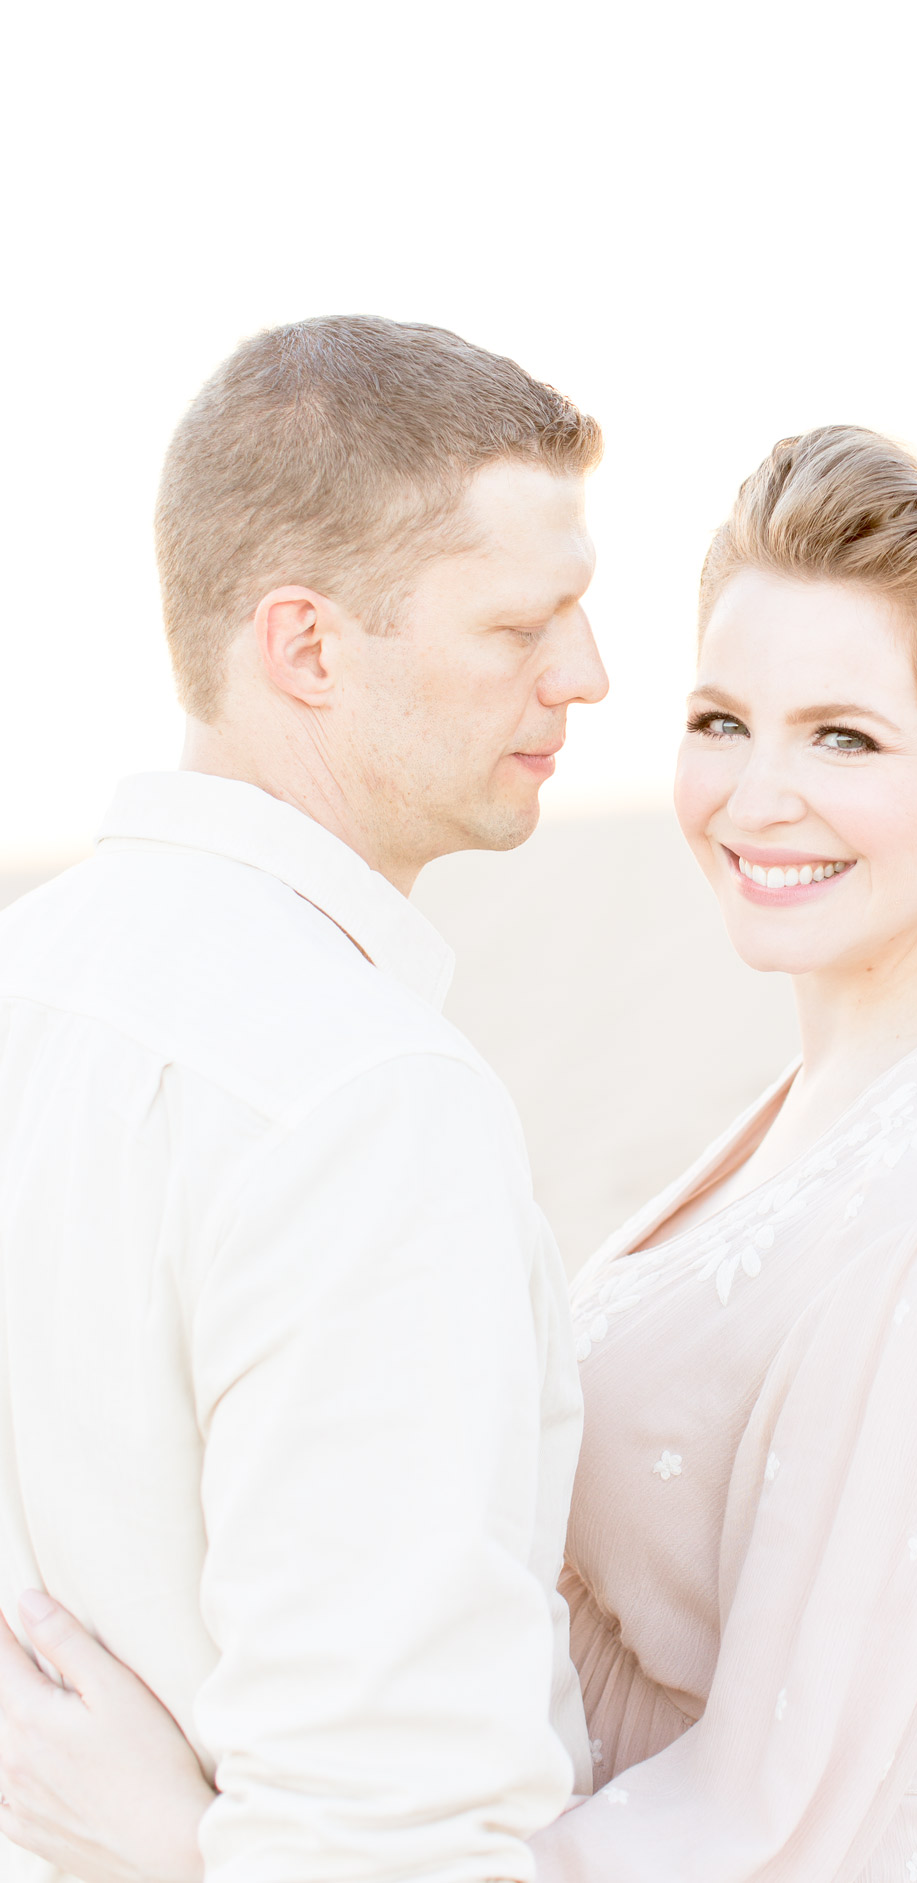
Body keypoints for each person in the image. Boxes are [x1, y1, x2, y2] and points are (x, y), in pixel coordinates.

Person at [0, 427, 917, 1882]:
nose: (756, 793)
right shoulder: (847, 1086)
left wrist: (189, 1852)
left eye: (842, 736)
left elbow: (769, 1825)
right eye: (722, 721)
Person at [0, 314, 609, 1883]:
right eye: (518, 629)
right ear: (308, 648)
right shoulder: (366, 1105)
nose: (588, 676)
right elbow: (390, 1818)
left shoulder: (26, 977)